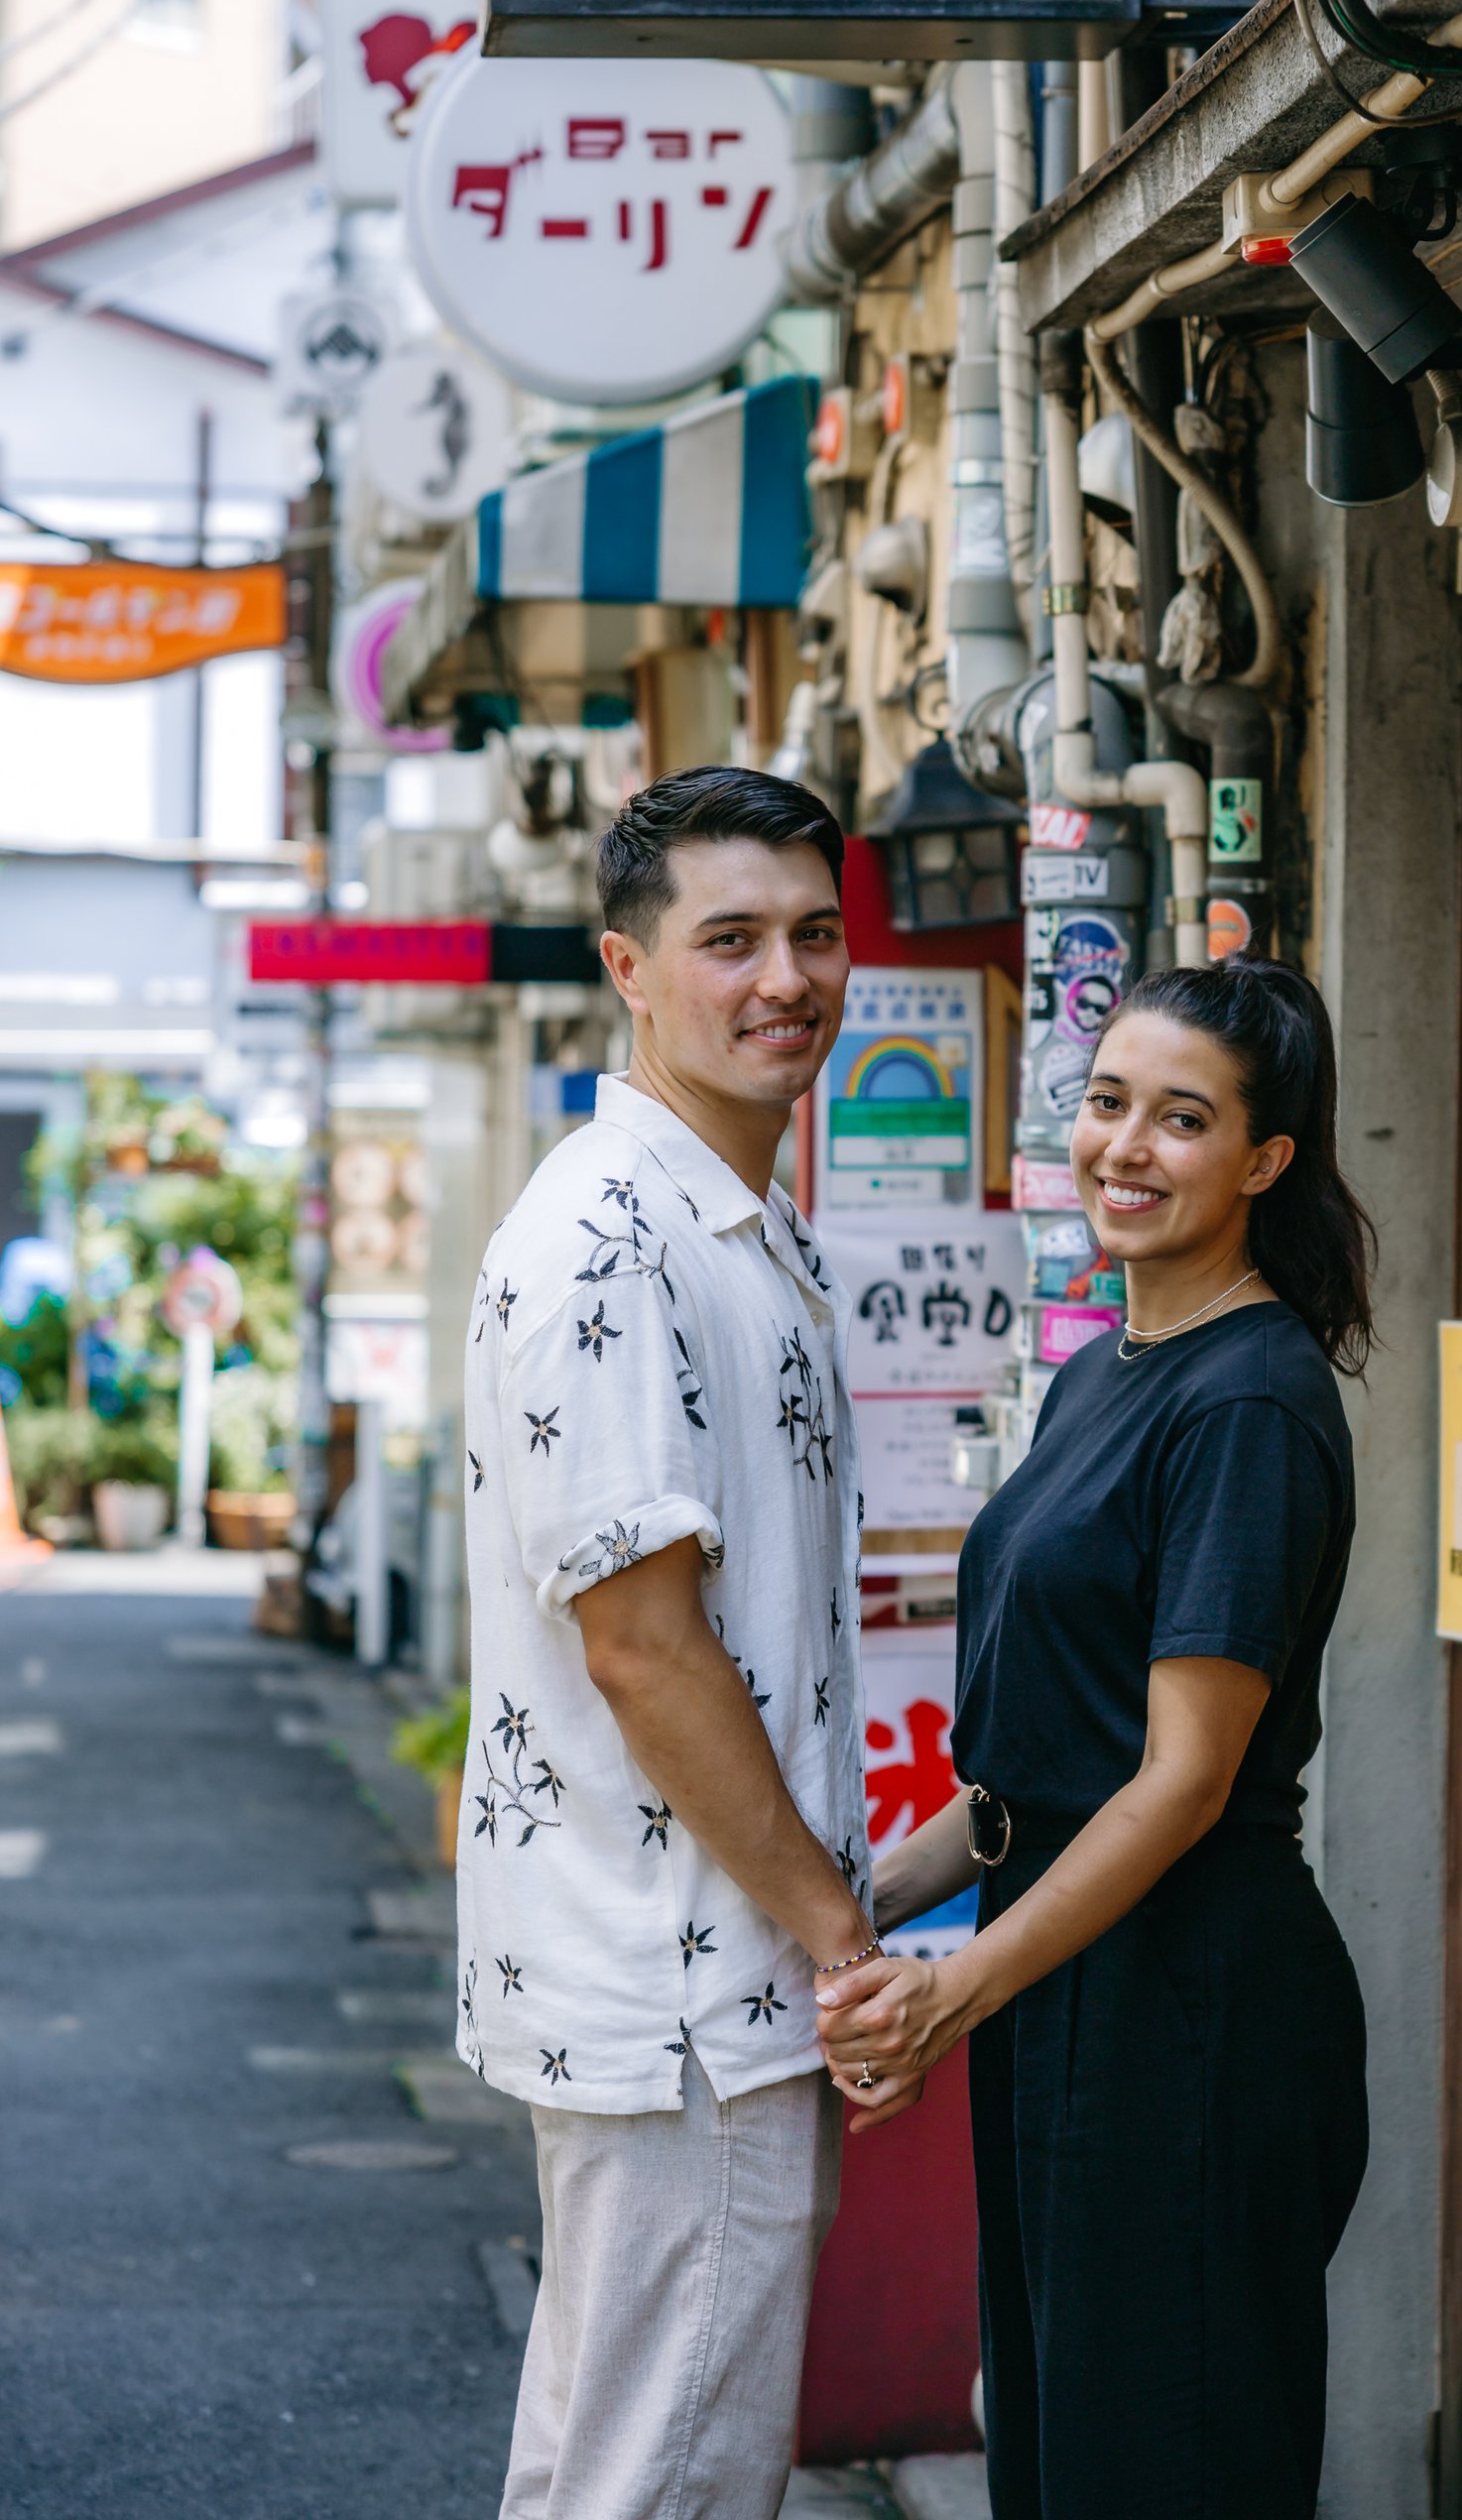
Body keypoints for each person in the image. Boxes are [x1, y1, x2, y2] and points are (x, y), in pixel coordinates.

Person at [815, 956, 1376, 2520]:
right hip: (1068, 1979)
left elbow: (1182, 1781)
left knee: (1162, 2461)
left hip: (1188, 2002)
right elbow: (1037, 1773)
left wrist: (956, 1987)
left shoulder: (1249, 1404)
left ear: (1264, 1160)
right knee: (1063, 2455)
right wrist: (858, 1904)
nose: (1125, 1146)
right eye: (1109, 1100)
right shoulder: (1097, 1375)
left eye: (1182, 1119)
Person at [458, 767, 878, 2520]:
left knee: (604, 2472)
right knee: (667, 2483)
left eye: (813, 933)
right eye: (731, 940)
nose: (786, 979)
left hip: (683, 1984)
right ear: (628, 968)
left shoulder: (723, 1213)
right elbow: (643, 1648)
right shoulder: (616, 1244)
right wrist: (835, 1934)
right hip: (694, 1996)